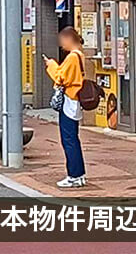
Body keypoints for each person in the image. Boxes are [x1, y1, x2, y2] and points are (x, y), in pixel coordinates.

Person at [44, 26, 87, 188]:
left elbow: (61, 78)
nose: (62, 44)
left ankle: (74, 175)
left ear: (69, 39)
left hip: (69, 100)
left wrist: (51, 65)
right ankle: (79, 174)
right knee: (73, 139)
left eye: (63, 40)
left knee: (68, 139)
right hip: (74, 101)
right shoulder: (80, 55)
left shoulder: (72, 57)